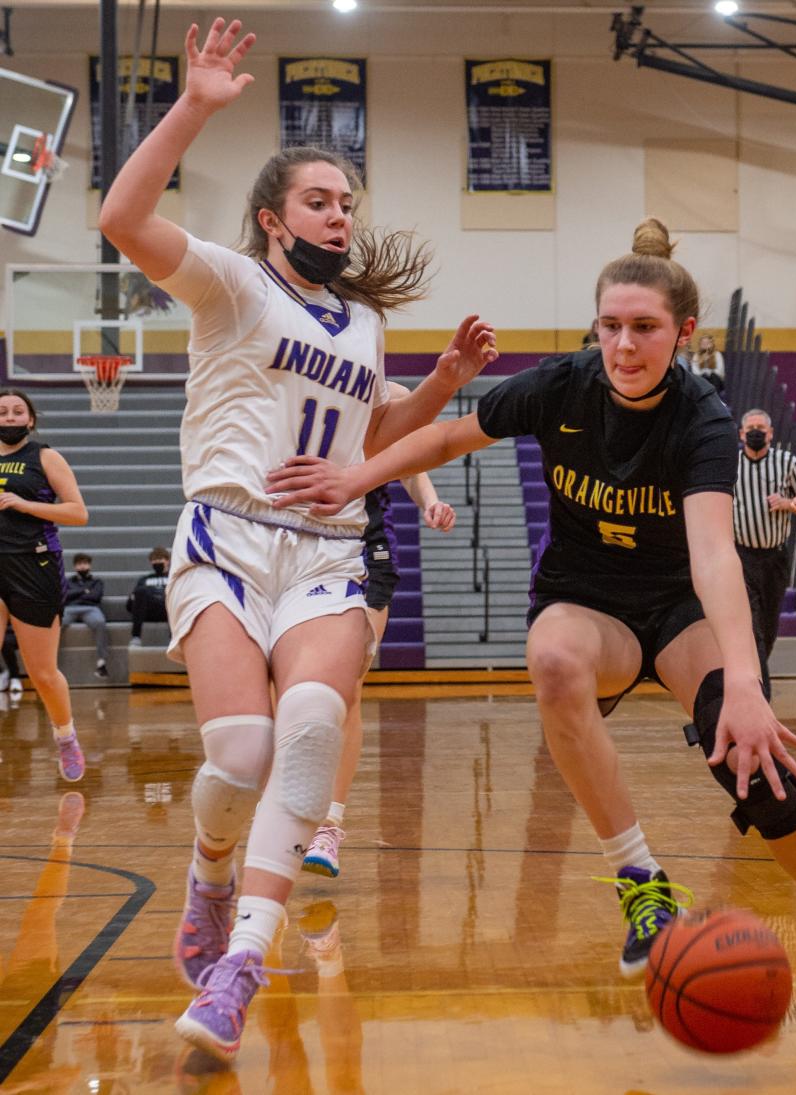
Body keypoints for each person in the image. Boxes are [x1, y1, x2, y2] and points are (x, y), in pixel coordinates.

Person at [269, 216, 796, 1031]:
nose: (623, 344)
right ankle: (640, 879)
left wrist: (749, 684)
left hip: (679, 606)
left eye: (644, 328)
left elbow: (716, 557)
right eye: (609, 325)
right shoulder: (561, 386)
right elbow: (441, 437)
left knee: (753, 758)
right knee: (553, 661)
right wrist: (352, 476)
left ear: (683, 333)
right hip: (587, 601)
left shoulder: (704, 420)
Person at [98, 17, 497, 1062]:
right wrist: (193, 105)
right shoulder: (232, 283)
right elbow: (123, 219)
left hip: (325, 546)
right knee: (242, 752)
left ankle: (246, 960)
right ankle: (211, 870)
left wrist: (444, 387)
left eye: (349, 202)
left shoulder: (362, 326)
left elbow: (375, 440)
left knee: (315, 724)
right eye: (320, 199)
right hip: (226, 538)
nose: (340, 214)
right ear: (274, 217)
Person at [303, 391, 456, 878]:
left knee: (347, 687)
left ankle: (330, 824)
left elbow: (409, 460)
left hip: (363, 547)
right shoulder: (300, 377)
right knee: (286, 692)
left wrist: (430, 502)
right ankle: (288, 809)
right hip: (295, 538)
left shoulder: (393, 397)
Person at [0, 389, 89, 781]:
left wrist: (22, 504)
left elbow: (78, 513)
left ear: (30, 420)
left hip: (32, 565)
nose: (9, 417)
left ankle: (65, 737)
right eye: (2, 412)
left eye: (18, 411)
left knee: (42, 673)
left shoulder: (45, 457)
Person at [732, 408, 796, 680]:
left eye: (761, 427)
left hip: (775, 558)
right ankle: (761, 688)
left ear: (771, 433)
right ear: (741, 434)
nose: (756, 432)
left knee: (769, 626)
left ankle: (757, 678)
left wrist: (787, 503)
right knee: (752, 625)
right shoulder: (730, 464)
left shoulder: (786, 462)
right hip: (741, 556)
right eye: (750, 428)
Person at [63, 552, 110, 679]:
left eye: (84, 563)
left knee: (100, 622)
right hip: (70, 608)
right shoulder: (68, 581)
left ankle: (102, 663)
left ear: (89, 565)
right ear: (75, 567)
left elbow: (96, 597)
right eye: (79, 564)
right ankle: (49, 662)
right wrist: (84, 591)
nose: (82, 567)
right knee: (56, 623)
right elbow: (64, 597)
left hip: (90, 608)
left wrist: (75, 594)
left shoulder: (97, 581)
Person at [127, 546, 171, 646]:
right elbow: (130, 604)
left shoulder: (173, 577)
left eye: (160, 559)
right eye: (154, 560)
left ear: (167, 561)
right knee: (140, 591)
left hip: (168, 609)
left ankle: (174, 638)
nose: (157, 562)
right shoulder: (144, 579)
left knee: (174, 594)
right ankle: (136, 637)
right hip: (148, 610)